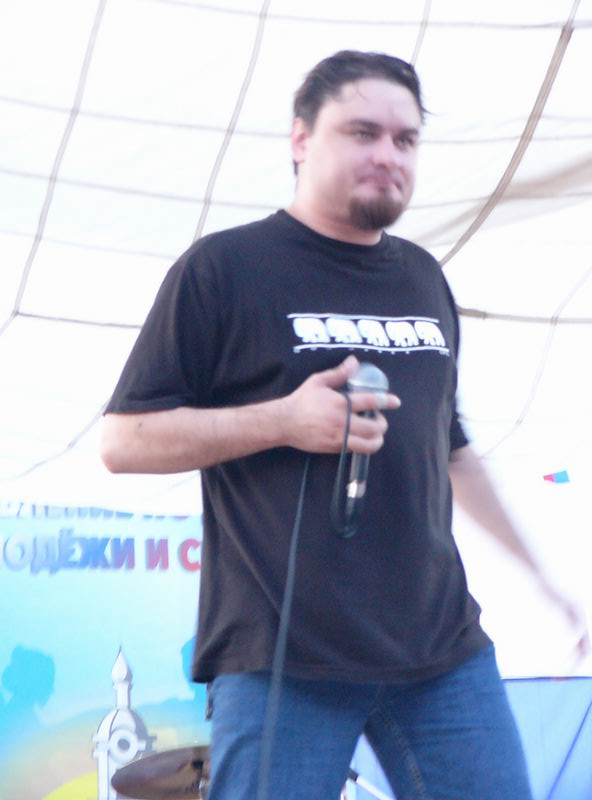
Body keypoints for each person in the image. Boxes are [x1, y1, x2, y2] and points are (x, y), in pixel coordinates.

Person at [101, 51, 586, 800]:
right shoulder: (224, 269)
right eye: (363, 133)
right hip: (283, 656)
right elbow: (122, 441)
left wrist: (545, 580)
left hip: (441, 650)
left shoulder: (422, 277)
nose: (389, 155)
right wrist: (283, 420)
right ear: (301, 139)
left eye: (405, 139)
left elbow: (453, 451)